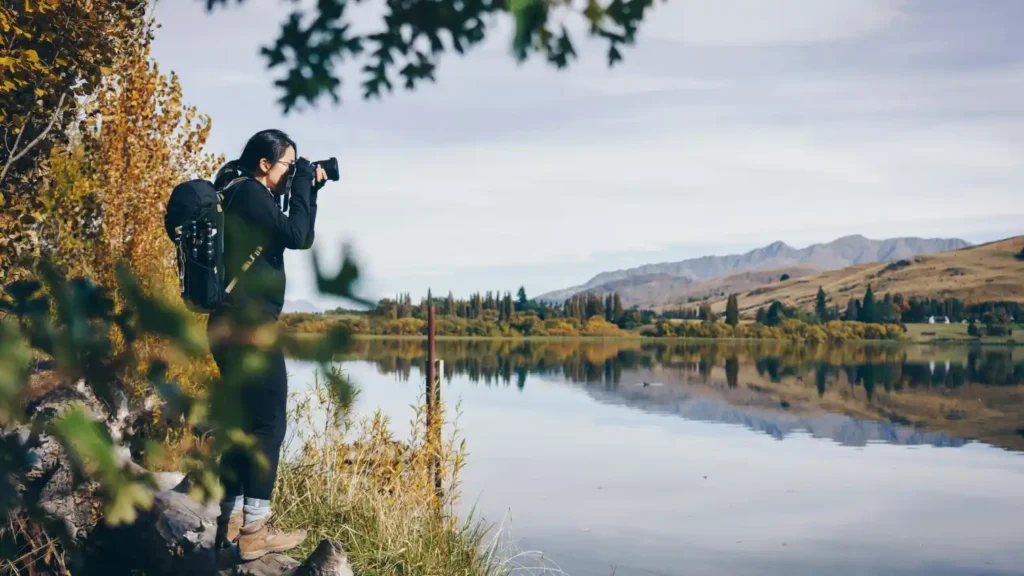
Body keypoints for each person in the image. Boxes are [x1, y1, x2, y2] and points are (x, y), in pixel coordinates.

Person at [207, 129, 327, 560]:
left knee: (242, 424)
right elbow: (298, 235)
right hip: (250, 326)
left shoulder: (231, 191)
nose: (291, 172)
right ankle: (255, 528)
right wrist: (301, 187)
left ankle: (230, 521)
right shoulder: (251, 194)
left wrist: (305, 188)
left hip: (228, 324)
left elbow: (295, 231)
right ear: (264, 164)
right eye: (286, 164)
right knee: (269, 425)